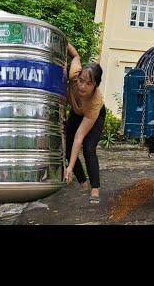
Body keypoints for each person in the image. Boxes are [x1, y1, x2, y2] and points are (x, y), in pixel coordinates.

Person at [64, 42, 105, 204]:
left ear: (95, 85)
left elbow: (79, 137)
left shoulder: (95, 101)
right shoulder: (74, 75)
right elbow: (75, 56)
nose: (82, 86)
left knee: (88, 147)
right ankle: (82, 181)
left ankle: (95, 188)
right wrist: (64, 41)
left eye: (89, 84)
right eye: (81, 81)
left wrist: (69, 167)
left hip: (93, 115)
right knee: (67, 146)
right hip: (76, 111)